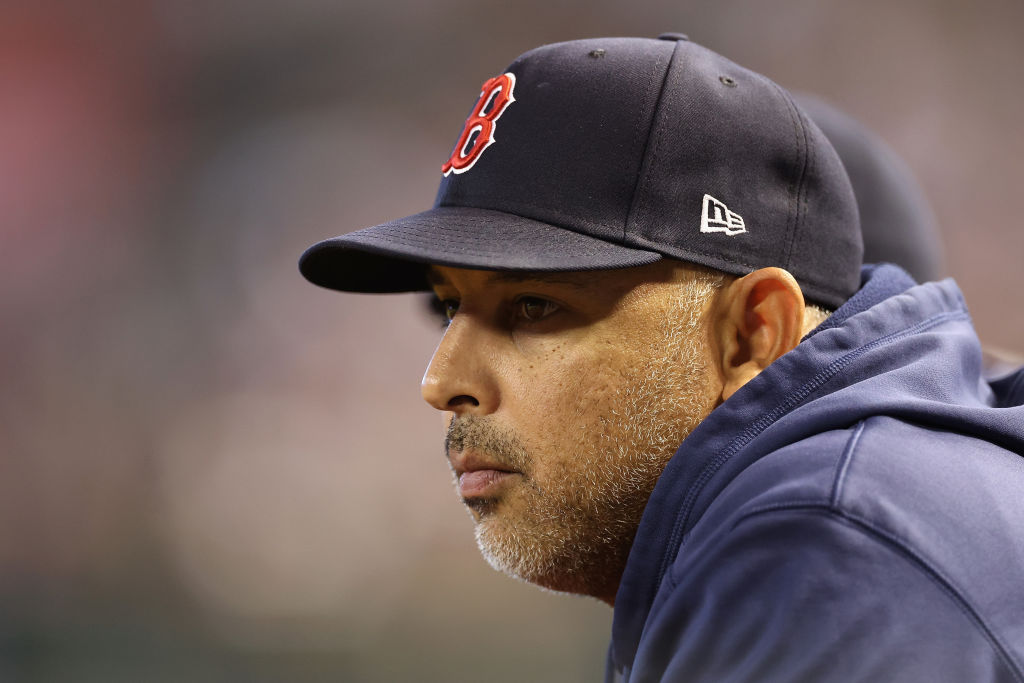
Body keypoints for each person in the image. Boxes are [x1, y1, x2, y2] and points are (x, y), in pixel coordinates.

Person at [299, 35, 1024, 681]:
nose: (440, 381)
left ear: (751, 333)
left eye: (533, 306)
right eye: (452, 307)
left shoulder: (832, 539)